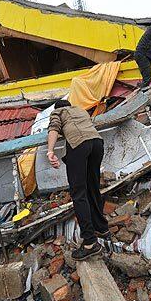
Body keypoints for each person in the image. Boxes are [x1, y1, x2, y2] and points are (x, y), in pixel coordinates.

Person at [46, 100, 108, 260]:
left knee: (78, 194)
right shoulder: (80, 110)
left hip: (79, 145)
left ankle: (89, 242)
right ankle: (102, 228)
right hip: (97, 144)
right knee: (93, 188)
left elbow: (53, 129)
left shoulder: (58, 112)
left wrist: (50, 151)